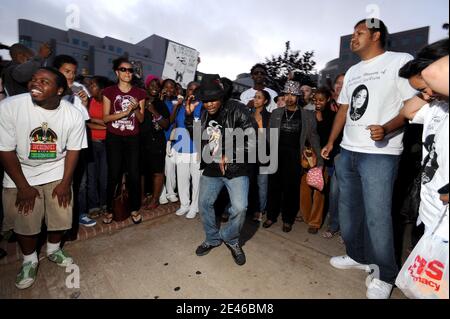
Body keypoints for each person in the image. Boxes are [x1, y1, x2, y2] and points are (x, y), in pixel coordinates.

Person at [321, 18, 417, 299]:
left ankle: (386, 274)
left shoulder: (400, 61)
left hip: (380, 154)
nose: (354, 38)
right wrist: (331, 142)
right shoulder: (351, 71)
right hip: (349, 151)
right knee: (349, 214)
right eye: (353, 33)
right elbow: (343, 110)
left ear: (375, 35)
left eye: (359, 33)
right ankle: (358, 256)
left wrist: (387, 128)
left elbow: (411, 105)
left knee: (377, 217)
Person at [0, 67, 87, 289]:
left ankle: (53, 249)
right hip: (20, 172)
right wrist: (23, 187)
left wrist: (66, 183)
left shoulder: (73, 114)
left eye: (44, 81)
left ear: (59, 90)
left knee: (61, 214)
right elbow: (5, 150)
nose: (35, 84)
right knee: (25, 220)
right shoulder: (9, 107)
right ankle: (29, 260)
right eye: (34, 79)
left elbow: (74, 150)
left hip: (57, 170)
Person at [368, 38, 449, 244]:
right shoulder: (435, 106)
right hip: (430, 211)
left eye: (428, 87)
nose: (428, 93)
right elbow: (408, 111)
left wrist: (429, 75)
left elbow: (433, 73)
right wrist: (425, 93)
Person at [186, 74, 255, 266]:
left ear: (222, 96)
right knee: (204, 204)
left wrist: (232, 153)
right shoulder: (205, 112)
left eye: (213, 99)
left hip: (236, 167)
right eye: (205, 100)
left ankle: (230, 238)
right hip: (212, 167)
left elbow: (253, 138)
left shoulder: (238, 109)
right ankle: (212, 239)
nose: (209, 104)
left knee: (240, 208)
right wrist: (189, 117)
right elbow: (199, 139)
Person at [264, 81, 322, 233]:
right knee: (274, 187)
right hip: (276, 155)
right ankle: (271, 215)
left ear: (298, 96)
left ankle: (288, 219)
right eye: (287, 94)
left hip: (295, 157)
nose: (289, 97)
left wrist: (319, 160)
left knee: (291, 189)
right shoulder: (276, 113)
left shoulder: (307, 115)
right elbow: (269, 134)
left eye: (293, 95)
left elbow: (314, 137)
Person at [102, 57, 146, 225]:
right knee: (113, 174)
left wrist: (135, 110)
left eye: (130, 70)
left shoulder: (139, 93)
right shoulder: (109, 91)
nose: (127, 73)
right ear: (117, 72)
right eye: (123, 69)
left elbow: (141, 120)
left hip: (133, 138)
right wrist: (125, 113)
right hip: (114, 138)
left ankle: (134, 208)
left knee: (134, 175)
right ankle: (109, 209)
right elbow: (105, 118)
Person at [53, 55, 95, 230]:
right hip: (57, 146)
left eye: (73, 72)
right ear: (57, 71)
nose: (71, 75)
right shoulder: (52, 88)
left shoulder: (79, 88)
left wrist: (85, 102)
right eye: (67, 71)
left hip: (79, 144)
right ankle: (59, 219)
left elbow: (85, 117)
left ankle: (80, 213)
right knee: (59, 183)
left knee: (81, 182)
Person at [299, 87, 335, 234]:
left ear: (327, 100)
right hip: (307, 157)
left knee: (319, 191)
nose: (317, 103)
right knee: (304, 188)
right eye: (315, 100)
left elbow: (328, 137)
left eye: (321, 100)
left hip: (322, 158)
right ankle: (306, 216)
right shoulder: (309, 114)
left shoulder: (332, 116)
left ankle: (315, 222)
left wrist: (320, 120)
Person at [172, 81, 203, 219]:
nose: (193, 92)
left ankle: (194, 206)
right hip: (181, 146)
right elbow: (176, 124)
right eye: (191, 89)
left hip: (196, 148)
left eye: (196, 90)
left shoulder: (203, 106)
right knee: (182, 179)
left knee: (196, 180)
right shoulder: (180, 105)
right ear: (186, 91)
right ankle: (184, 204)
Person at [140, 75, 170, 209]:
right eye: (152, 85)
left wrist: (153, 111)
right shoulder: (140, 101)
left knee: (157, 172)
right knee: (140, 171)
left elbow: (166, 125)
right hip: (141, 141)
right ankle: (141, 197)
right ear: (146, 86)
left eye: (157, 87)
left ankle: (155, 199)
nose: (154, 89)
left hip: (157, 142)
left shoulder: (160, 104)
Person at [86, 76, 113, 217]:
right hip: (92, 143)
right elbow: (85, 123)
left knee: (104, 177)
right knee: (91, 178)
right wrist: (102, 122)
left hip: (106, 144)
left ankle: (104, 204)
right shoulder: (89, 102)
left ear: (102, 89)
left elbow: (111, 124)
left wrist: (93, 120)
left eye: (93, 85)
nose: (91, 88)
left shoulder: (110, 103)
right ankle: (93, 206)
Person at [248, 89, 272, 222]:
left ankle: (260, 210)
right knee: (248, 181)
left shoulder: (269, 116)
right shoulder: (247, 114)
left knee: (262, 183)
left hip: (264, 152)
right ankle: (248, 208)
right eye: (255, 97)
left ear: (265, 101)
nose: (255, 99)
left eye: (259, 97)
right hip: (248, 151)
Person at [159, 79, 181, 204]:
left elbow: (177, 122)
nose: (169, 90)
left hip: (173, 140)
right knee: (161, 167)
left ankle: (170, 191)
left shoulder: (177, 103)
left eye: (171, 87)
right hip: (161, 138)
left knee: (171, 168)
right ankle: (161, 193)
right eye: (166, 87)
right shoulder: (161, 102)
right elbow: (168, 122)